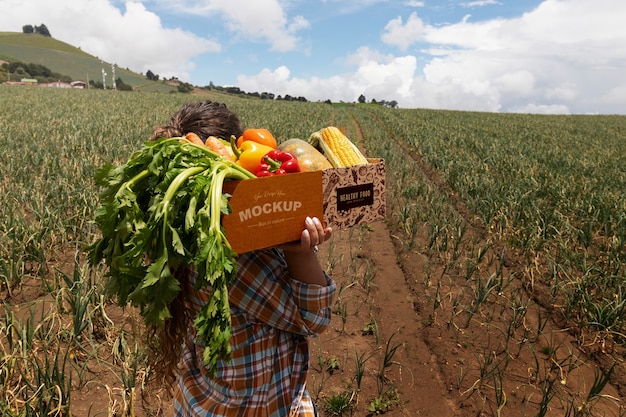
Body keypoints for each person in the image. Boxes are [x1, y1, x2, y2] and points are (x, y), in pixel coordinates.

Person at [147, 100, 336, 417]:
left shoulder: (180, 231)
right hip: (255, 407)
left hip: (203, 397)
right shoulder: (238, 257)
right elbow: (314, 319)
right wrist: (300, 254)